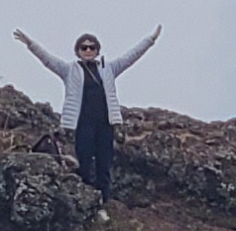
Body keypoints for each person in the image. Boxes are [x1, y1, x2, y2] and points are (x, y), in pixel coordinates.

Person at [14, 25, 157, 200]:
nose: (88, 50)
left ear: (97, 50)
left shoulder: (109, 68)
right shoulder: (69, 70)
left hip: (105, 123)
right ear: (78, 51)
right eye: (84, 47)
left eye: (92, 47)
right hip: (83, 124)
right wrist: (30, 44)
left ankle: (103, 201)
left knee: (104, 163)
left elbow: (131, 56)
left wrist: (150, 40)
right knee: (85, 161)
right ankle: (86, 200)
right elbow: (48, 60)